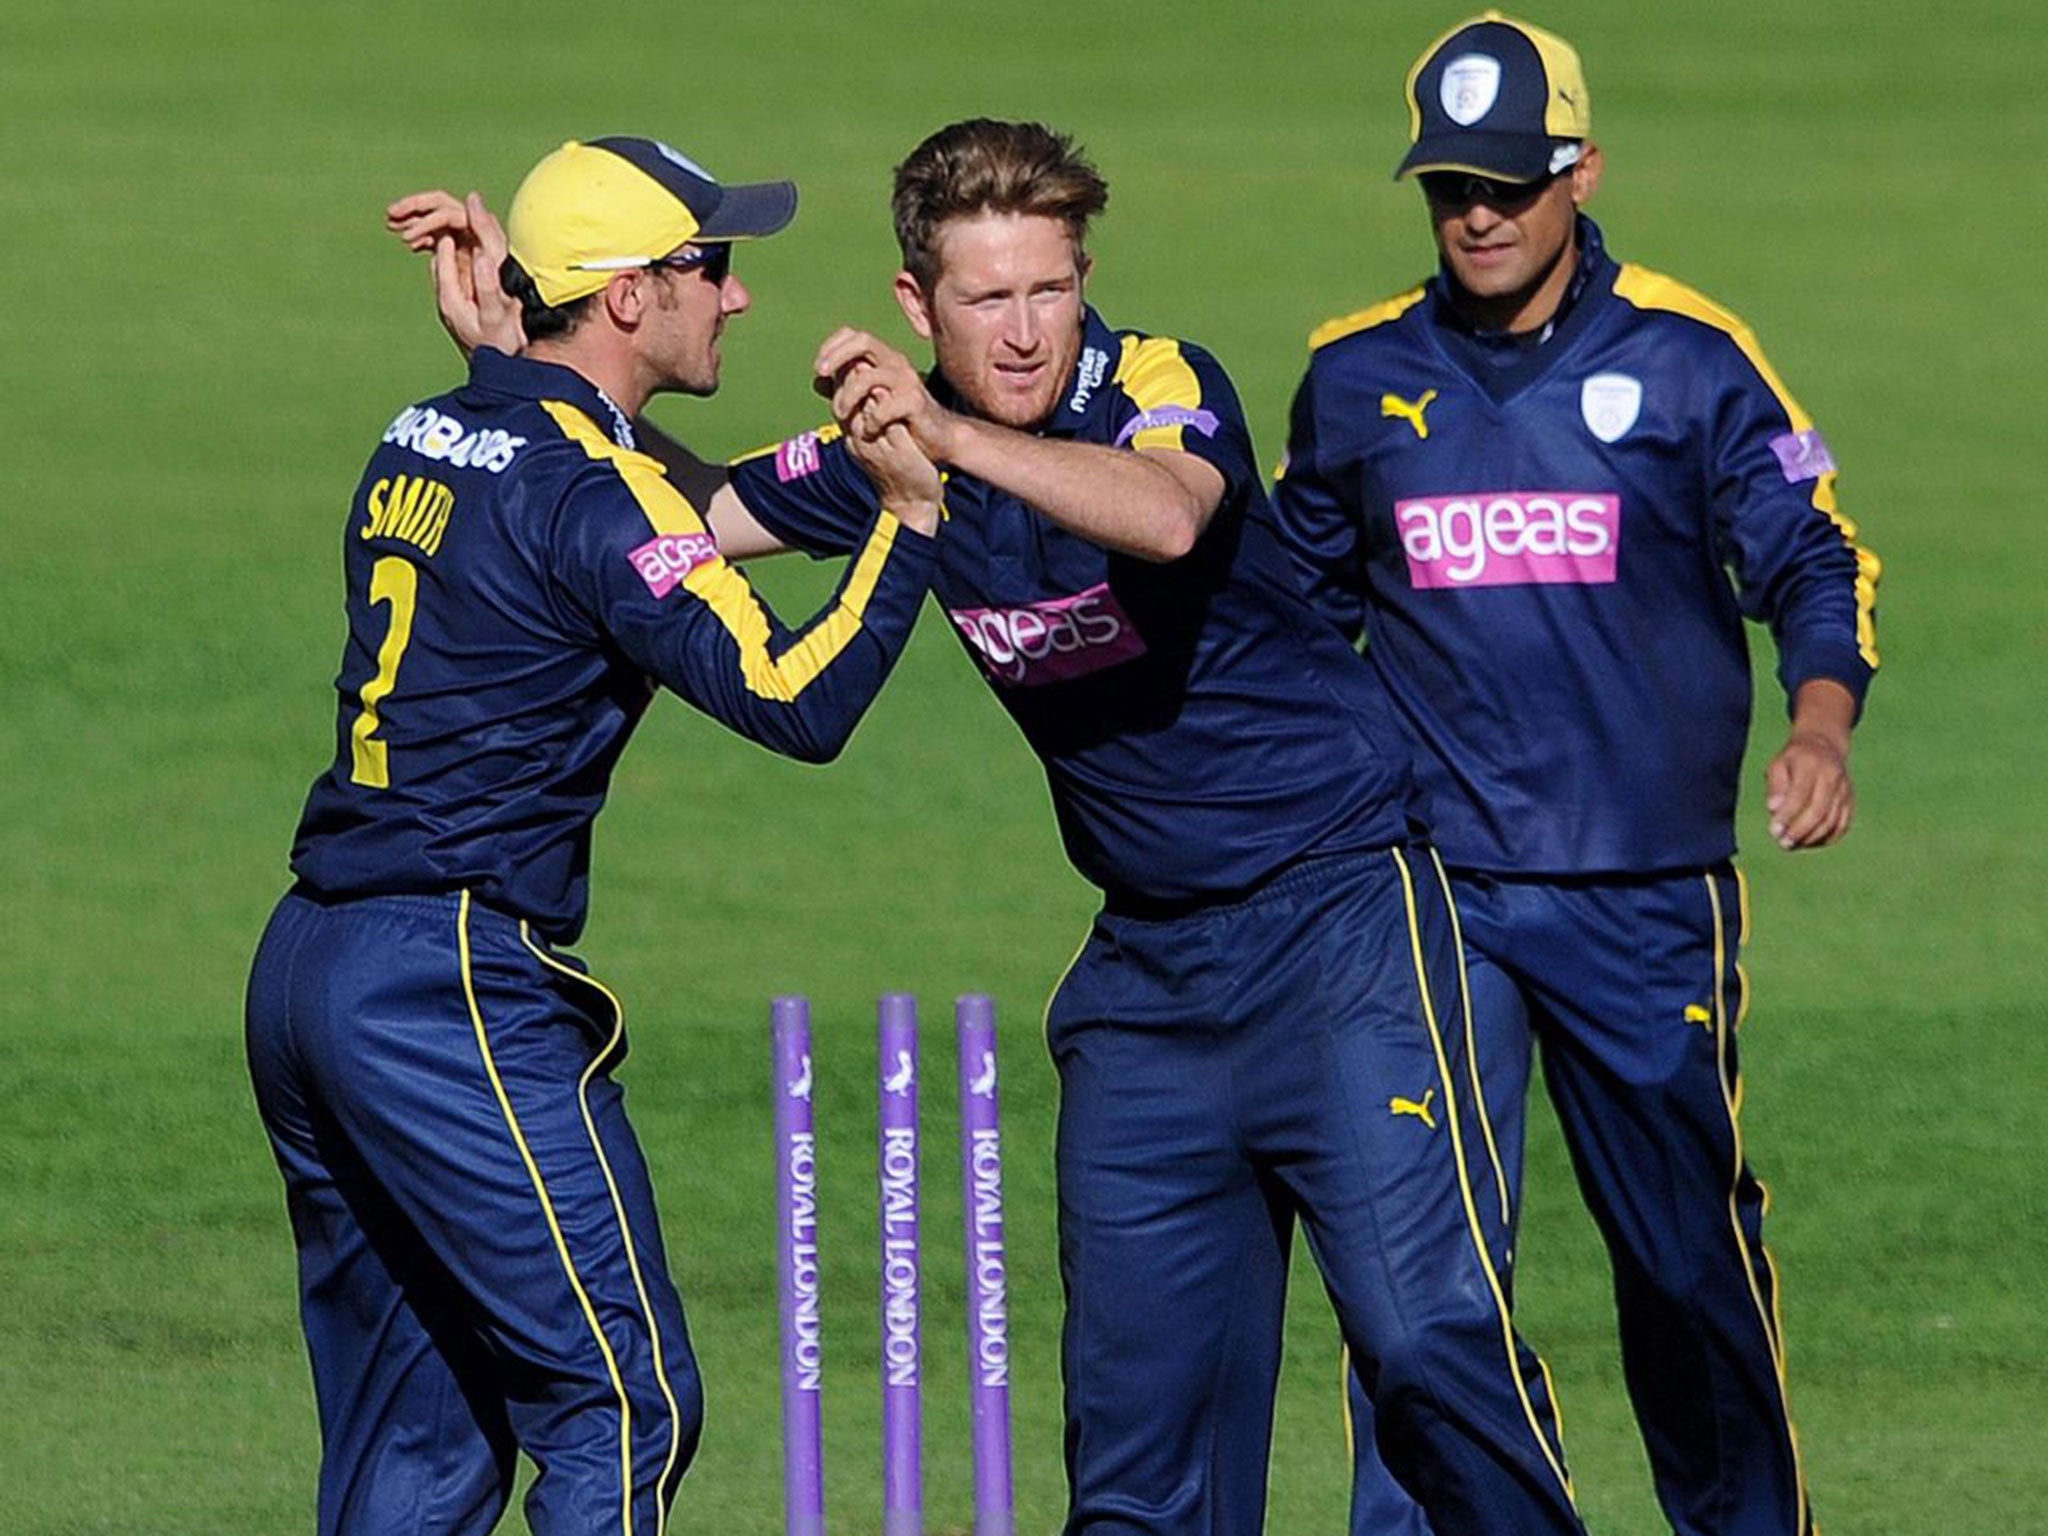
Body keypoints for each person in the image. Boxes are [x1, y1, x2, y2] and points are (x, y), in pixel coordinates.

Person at [397, 117, 1585, 1536]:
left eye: (1049, 288)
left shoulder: (1153, 380)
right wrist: (520, 367)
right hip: (1145, 990)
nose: (1025, 332)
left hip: (1342, 936)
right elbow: (687, 513)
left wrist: (941, 439)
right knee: (1137, 1471)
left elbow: (1164, 516)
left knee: (1426, 1356)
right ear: (918, 306)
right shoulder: (889, 455)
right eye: (985, 299)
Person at [246, 135, 943, 1536]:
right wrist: (913, 519)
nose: (737, 300)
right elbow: (788, 698)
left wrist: (512, 338)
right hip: (445, 990)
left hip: (309, 970)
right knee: (623, 1405)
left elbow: (647, 498)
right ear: (626, 297)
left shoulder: (426, 431)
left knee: (421, 1438)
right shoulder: (588, 492)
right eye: (711, 269)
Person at [1269, 16, 1882, 1536]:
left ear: (1580, 170)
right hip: (1429, 901)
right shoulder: (1354, 376)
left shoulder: (1691, 357)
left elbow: (1815, 559)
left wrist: (1821, 730)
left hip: (1646, 893)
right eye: (1447, 188)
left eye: (1509, 183)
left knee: (1683, 1262)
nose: (1477, 214)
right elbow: (1284, 619)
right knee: (1417, 1284)